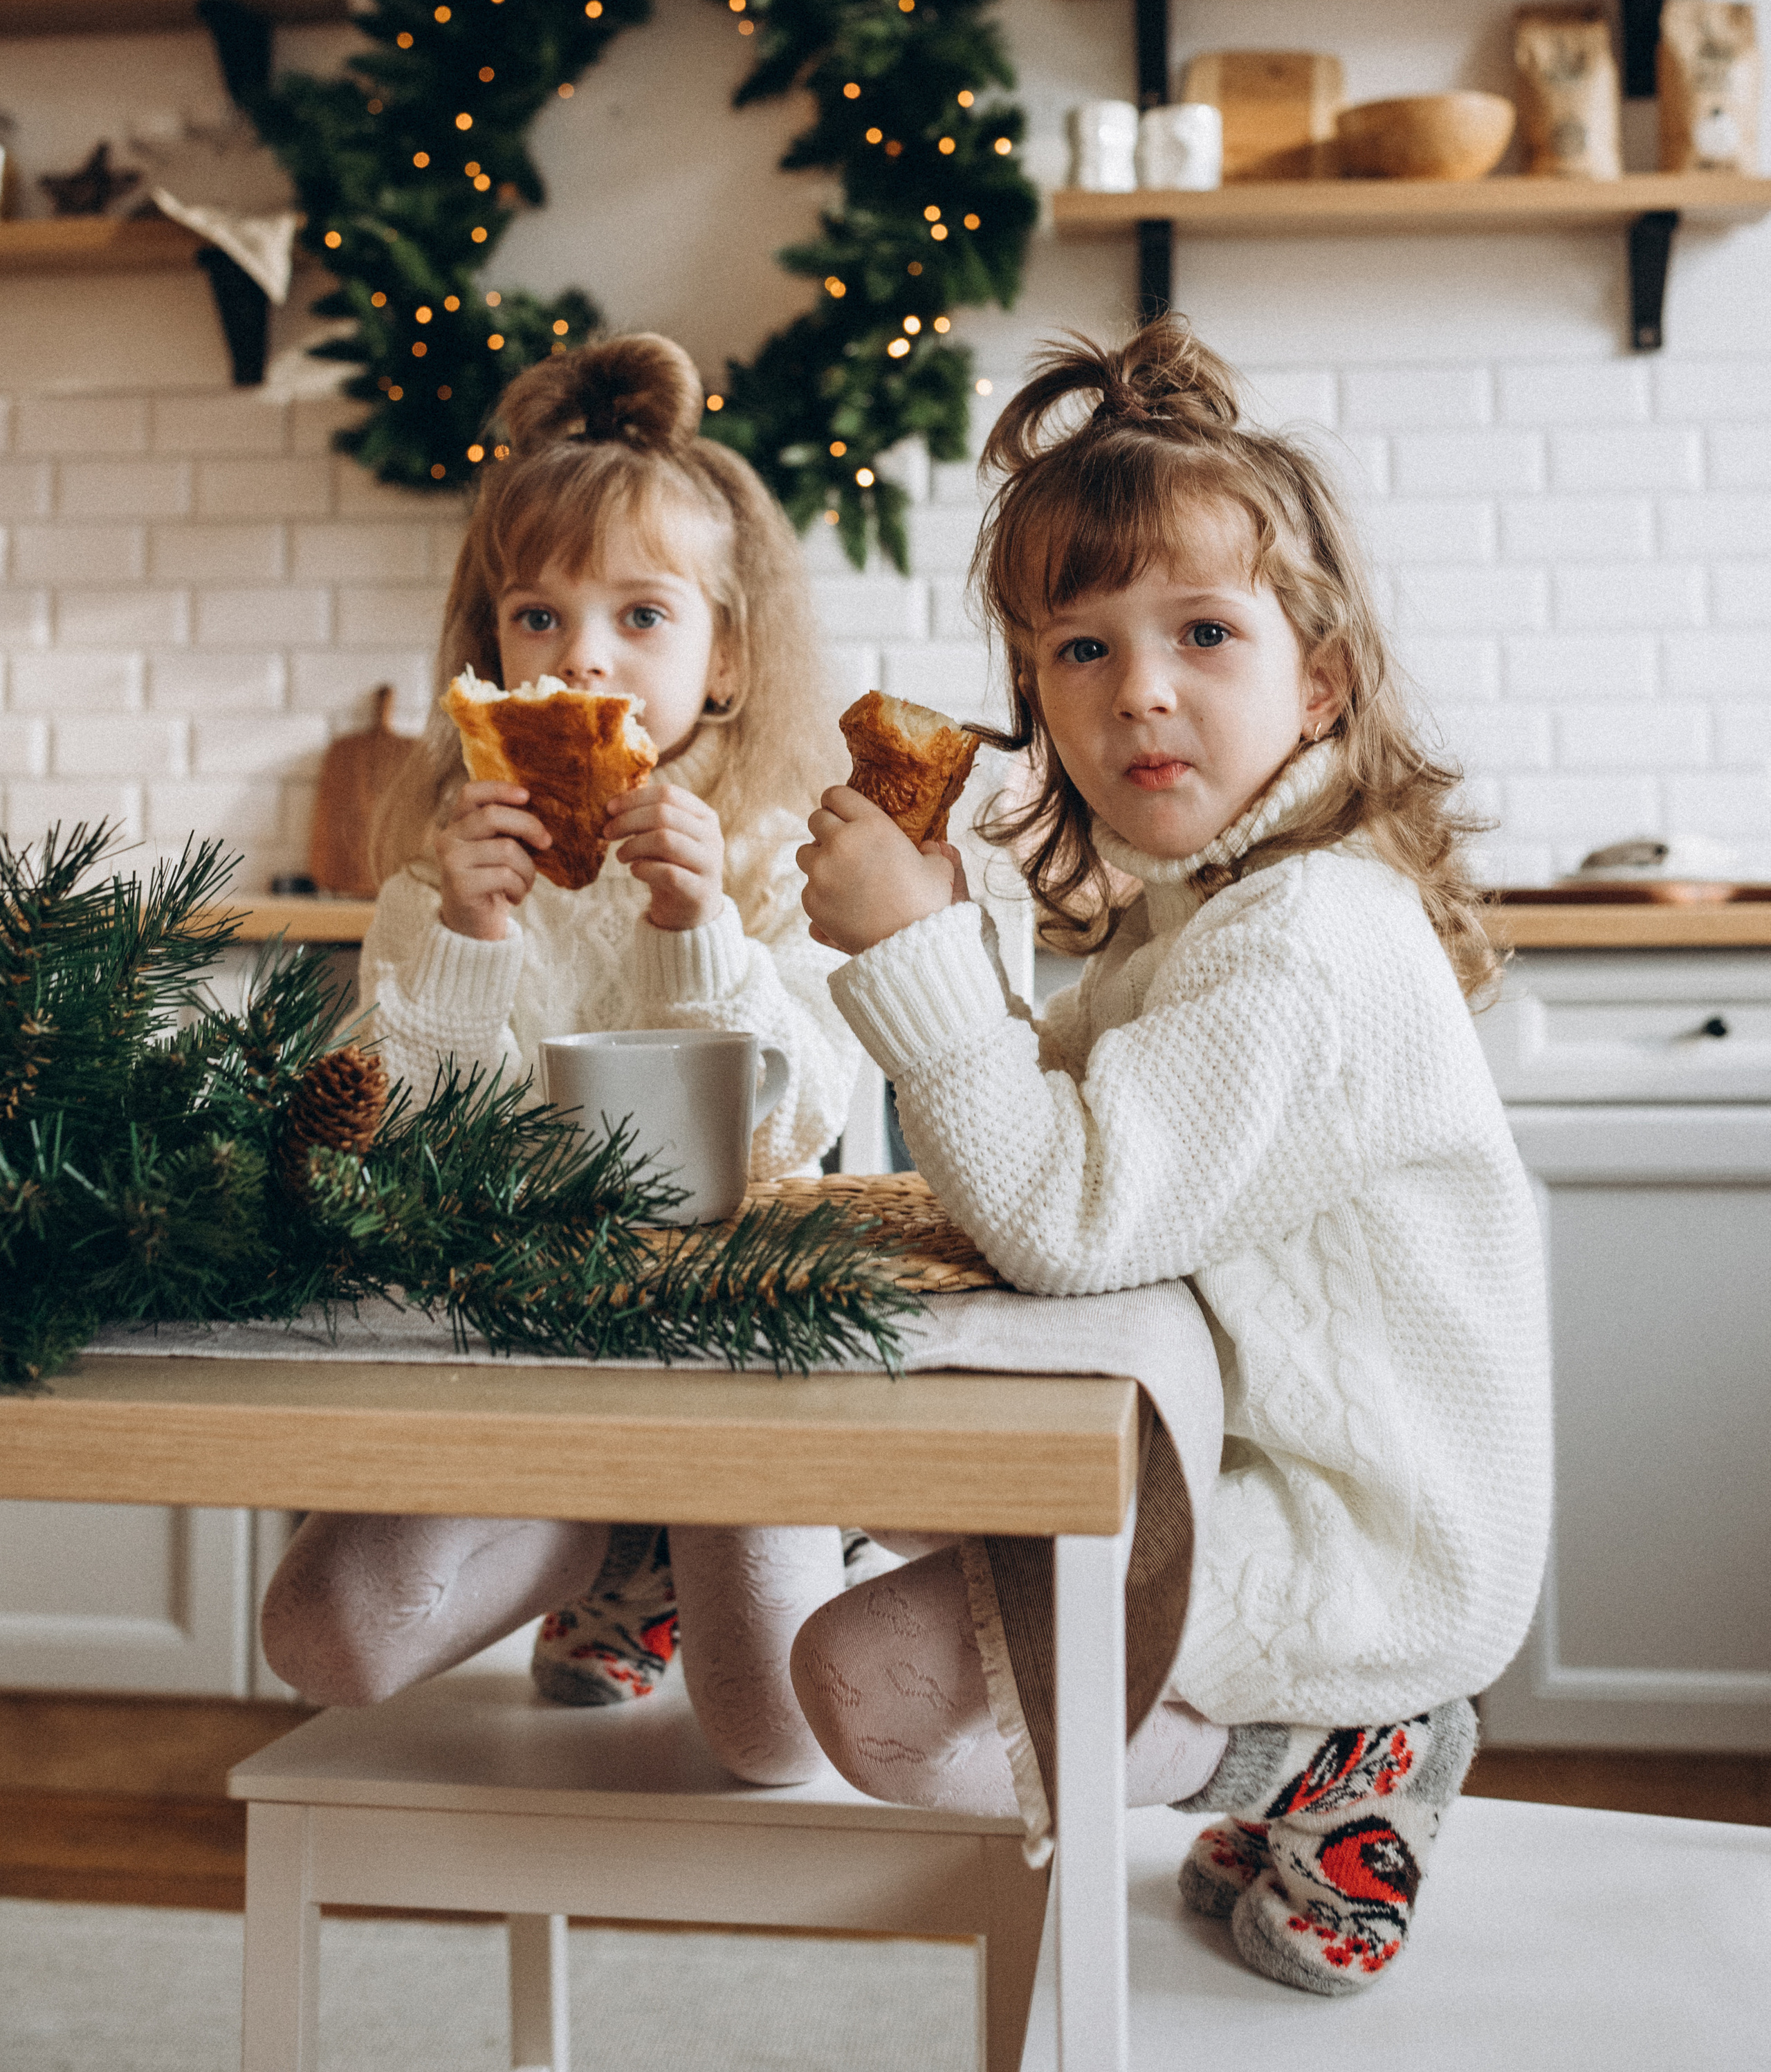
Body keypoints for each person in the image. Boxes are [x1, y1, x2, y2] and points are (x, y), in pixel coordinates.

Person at [793, 316, 1552, 1995]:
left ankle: (1343, 1745)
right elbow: (1052, 1120)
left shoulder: (1296, 944)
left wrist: (910, 960)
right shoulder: (1198, 915)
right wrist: (948, 924)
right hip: (1246, 1471)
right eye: (1077, 647)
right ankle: (1285, 1759)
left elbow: (1061, 1212)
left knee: (868, 1687)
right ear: (1034, 703)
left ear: (1320, 675)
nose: (1137, 686)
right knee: (894, 1539)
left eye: (1200, 630)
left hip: (1357, 1534)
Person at [261, 333, 863, 1774]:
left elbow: (803, 1130)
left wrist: (695, 924)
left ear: (721, 659)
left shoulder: (777, 863)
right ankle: (595, 1537)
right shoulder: (439, 879)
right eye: (539, 615)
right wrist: (463, 936)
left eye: (639, 614)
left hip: (731, 1349)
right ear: (490, 655)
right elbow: (381, 1138)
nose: (582, 653)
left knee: (774, 1735)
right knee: (320, 1638)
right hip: (510, 1352)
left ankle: (689, 1534)